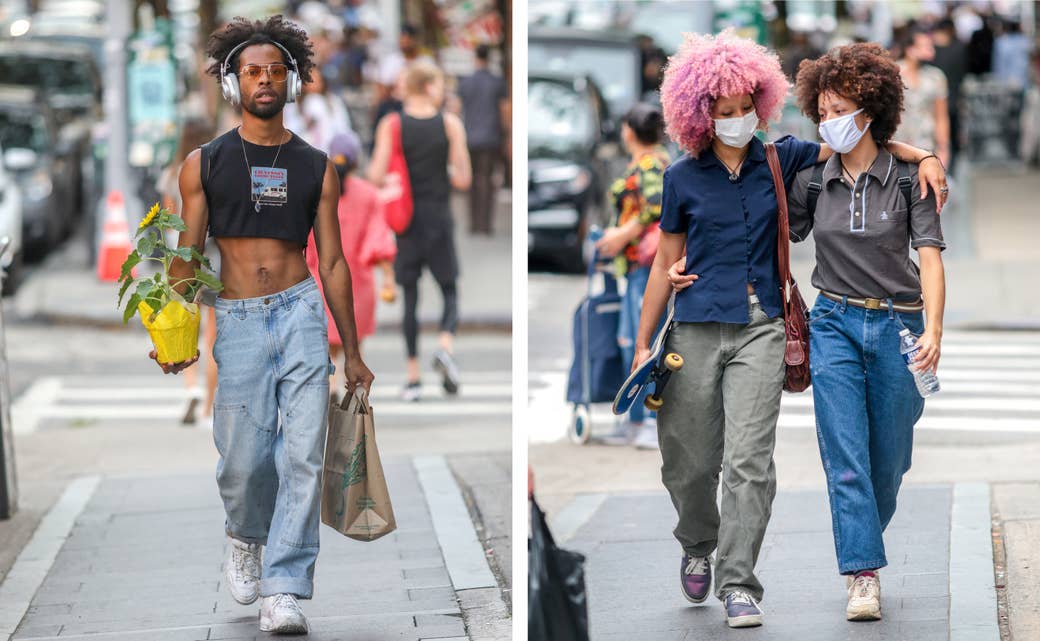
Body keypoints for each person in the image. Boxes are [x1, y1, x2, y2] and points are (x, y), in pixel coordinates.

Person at [639, 30, 947, 629]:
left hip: (766, 327)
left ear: (761, 103)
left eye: (743, 109)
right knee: (690, 462)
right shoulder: (683, 178)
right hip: (700, 327)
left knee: (755, 462)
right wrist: (641, 342)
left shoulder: (784, 160)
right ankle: (698, 541)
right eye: (722, 112)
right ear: (699, 114)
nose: (735, 121)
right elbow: (661, 260)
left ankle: (739, 584)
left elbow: (866, 146)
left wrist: (925, 155)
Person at [152, 16, 374, 635]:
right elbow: (189, 256)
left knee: (302, 454)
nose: (266, 80)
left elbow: (331, 260)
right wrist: (174, 334)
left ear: (294, 82)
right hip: (241, 320)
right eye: (253, 72)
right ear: (233, 84)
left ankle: (285, 586)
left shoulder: (316, 166)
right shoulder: (205, 164)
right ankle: (245, 534)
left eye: (277, 71)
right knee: (245, 460)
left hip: (301, 313)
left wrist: (351, 351)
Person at [782, 41, 947, 624]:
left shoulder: (908, 178)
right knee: (845, 458)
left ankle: (860, 543)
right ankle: (863, 575)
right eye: (822, 110)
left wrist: (934, 328)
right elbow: (767, 219)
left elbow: (929, 256)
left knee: (890, 463)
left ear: (869, 110)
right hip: (833, 324)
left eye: (840, 109)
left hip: (899, 325)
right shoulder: (811, 180)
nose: (830, 121)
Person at [368, 61, 471, 402]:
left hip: (406, 223)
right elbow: (463, 179)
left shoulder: (392, 124)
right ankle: (445, 344)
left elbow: (376, 174)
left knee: (410, 298)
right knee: (450, 290)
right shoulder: (450, 124)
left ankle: (413, 378)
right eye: (439, 85)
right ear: (429, 87)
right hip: (439, 218)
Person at [593, 103, 669, 450]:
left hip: (646, 266)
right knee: (635, 342)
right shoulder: (654, 161)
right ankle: (635, 421)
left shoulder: (651, 164)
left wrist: (621, 235)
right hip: (639, 265)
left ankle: (645, 422)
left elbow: (656, 206)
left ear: (628, 131)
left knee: (640, 343)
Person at [305, 131, 396, 397]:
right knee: (354, 342)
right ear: (356, 164)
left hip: (320, 278)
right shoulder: (369, 195)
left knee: (327, 340)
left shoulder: (316, 193)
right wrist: (388, 279)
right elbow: (379, 241)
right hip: (358, 282)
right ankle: (354, 387)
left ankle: (331, 383)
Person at [156, 117, 219, 429]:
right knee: (212, 335)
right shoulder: (214, 171)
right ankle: (209, 405)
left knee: (183, 327)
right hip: (213, 259)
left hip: (180, 258)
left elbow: (168, 218)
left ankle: (191, 387)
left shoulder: (172, 174)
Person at [457, 44, 508, 235]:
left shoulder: (466, 82)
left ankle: (474, 223)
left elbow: (457, 108)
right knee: (486, 180)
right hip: (490, 137)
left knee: (471, 180)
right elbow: (504, 111)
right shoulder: (497, 82)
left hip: (469, 136)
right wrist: (506, 135)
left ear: (475, 57)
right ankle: (485, 224)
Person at [893, 24, 952, 169]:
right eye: (925, 46)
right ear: (910, 48)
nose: (931, 50)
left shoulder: (935, 77)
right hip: (897, 147)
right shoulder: (893, 74)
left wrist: (943, 149)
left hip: (926, 147)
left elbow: (941, 115)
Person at [282, 66, 353, 155]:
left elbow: (344, 129)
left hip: (329, 152)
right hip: (301, 153)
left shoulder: (333, 101)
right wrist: (305, 122)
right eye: (311, 80)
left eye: (317, 79)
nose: (314, 83)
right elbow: (287, 130)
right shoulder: (293, 104)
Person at [929, 18, 967, 172]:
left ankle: (940, 165)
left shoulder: (932, 51)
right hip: (954, 98)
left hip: (936, 101)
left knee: (938, 135)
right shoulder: (960, 48)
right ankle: (950, 168)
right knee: (952, 135)